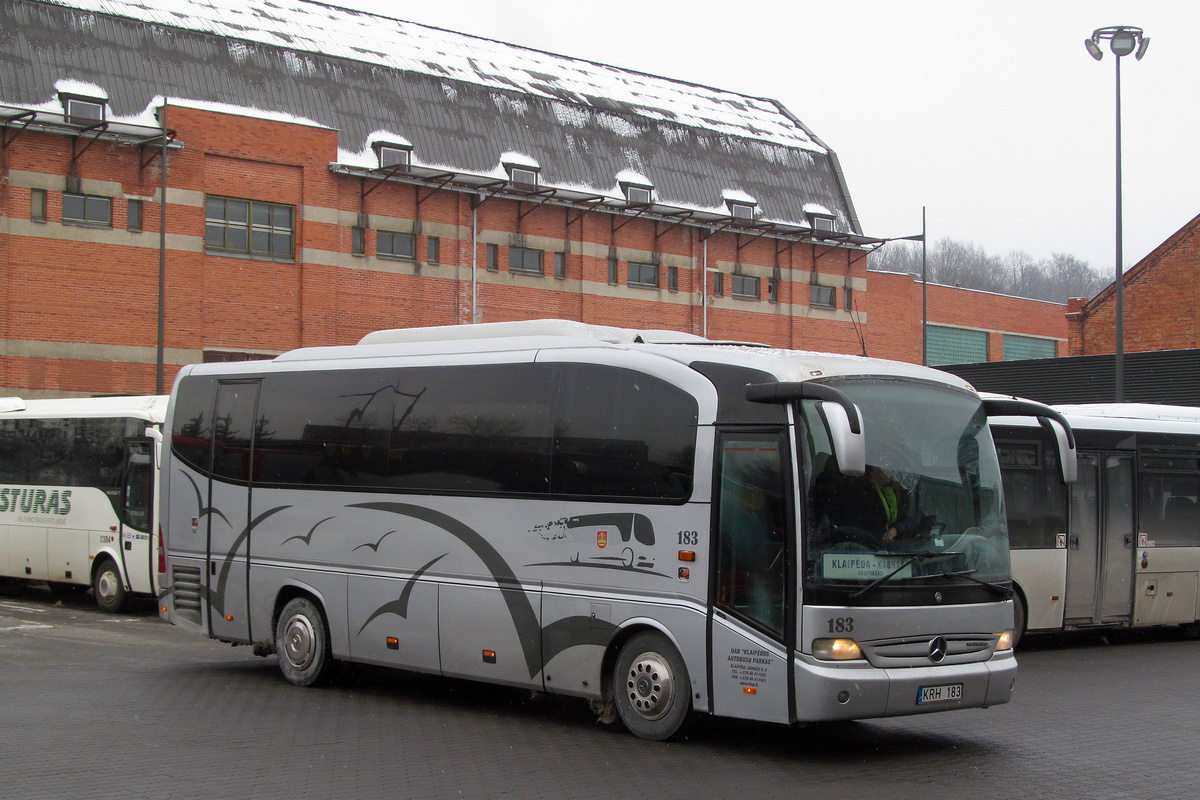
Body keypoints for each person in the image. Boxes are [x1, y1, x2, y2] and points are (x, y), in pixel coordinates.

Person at [829, 464, 926, 548]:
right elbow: (853, 530)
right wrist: (882, 538)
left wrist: (896, 529)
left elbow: (908, 520)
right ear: (876, 468)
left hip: (888, 552)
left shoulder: (888, 493)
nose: (892, 472)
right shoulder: (857, 494)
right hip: (866, 552)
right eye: (888, 467)